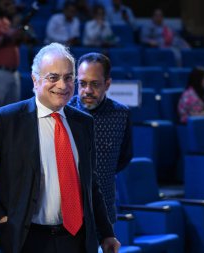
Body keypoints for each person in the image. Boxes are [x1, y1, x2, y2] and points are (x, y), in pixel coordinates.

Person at [0, 43, 120, 253]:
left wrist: (106, 233)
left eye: (68, 77)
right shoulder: (7, 120)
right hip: (26, 240)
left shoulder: (84, 123)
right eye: (53, 77)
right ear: (35, 80)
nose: (62, 85)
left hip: (77, 241)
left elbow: (91, 183)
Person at [68, 52, 132, 225]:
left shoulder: (121, 114)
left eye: (95, 84)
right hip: (66, 211)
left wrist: (102, 172)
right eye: (82, 84)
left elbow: (124, 157)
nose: (88, 90)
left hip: (104, 209)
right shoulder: (62, 113)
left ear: (107, 84)